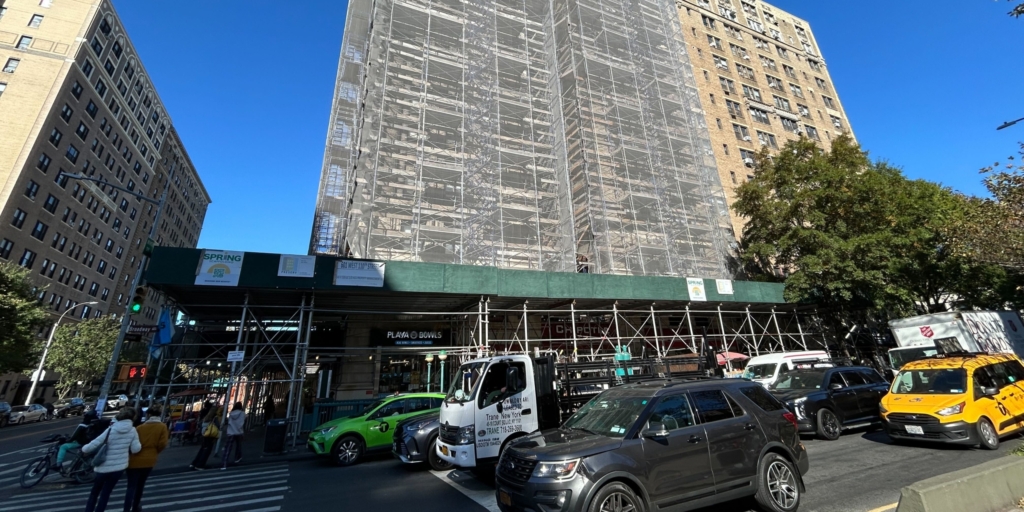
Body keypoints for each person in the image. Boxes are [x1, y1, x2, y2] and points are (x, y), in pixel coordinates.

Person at [82, 407, 141, 512]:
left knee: (95, 492)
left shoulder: (111, 429)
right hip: (119, 467)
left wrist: (85, 449)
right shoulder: (133, 431)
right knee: (106, 493)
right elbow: (135, 449)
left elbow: (96, 443)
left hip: (103, 467)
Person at [125, 405, 168, 512]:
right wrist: (154, 451)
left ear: (148, 415)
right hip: (150, 459)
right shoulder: (162, 427)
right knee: (141, 485)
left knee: (131, 486)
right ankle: (136, 506)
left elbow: (132, 444)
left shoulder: (139, 428)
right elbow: (162, 444)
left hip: (134, 459)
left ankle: (126, 508)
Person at [189, 406, 221, 470]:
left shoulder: (206, 417)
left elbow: (201, 424)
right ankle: (200, 465)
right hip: (211, 435)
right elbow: (218, 426)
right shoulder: (215, 418)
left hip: (205, 434)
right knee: (207, 451)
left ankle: (194, 463)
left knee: (202, 449)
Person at [220, 402, 245, 470]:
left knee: (228, 448)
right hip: (239, 432)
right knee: (238, 446)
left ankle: (224, 463)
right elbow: (243, 423)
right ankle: (237, 458)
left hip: (231, 432)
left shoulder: (231, 414)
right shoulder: (242, 414)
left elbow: (228, 422)